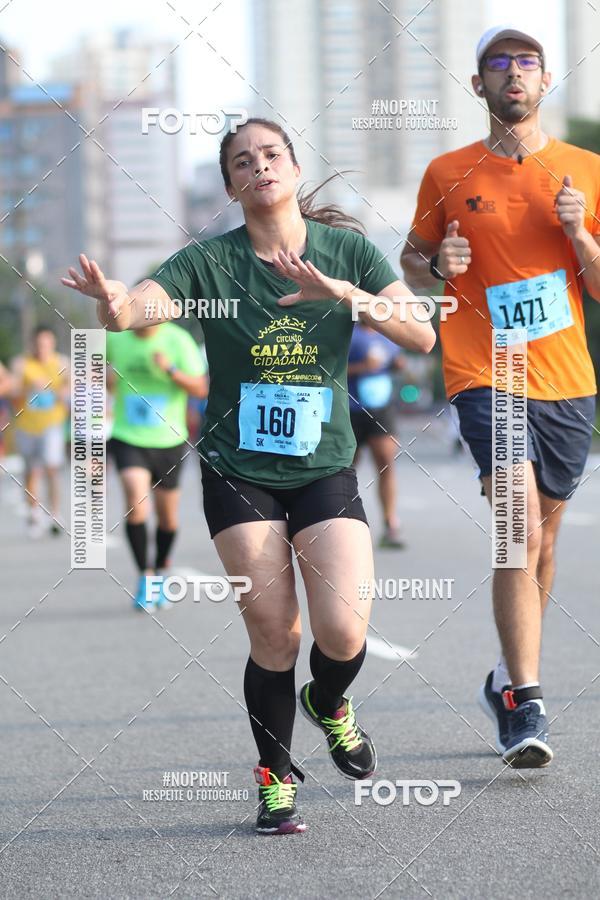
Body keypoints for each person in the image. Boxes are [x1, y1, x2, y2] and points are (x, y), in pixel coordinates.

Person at [62, 117, 435, 834]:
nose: (258, 166)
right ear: (232, 186)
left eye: (270, 154)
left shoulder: (346, 249)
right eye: (242, 161)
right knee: (273, 634)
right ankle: (274, 780)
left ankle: (329, 703)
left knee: (344, 630)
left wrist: (342, 294)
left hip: (324, 463)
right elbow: (145, 306)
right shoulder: (210, 263)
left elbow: (419, 330)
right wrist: (116, 306)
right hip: (239, 470)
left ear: (293, 168)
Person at [401, 25, 600, 768]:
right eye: (497, 63)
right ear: (478, 84)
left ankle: (504, 679)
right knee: (515, 522)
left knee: (544, 541)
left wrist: (580, 236)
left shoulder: (585, 170)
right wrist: (436, 262)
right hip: (486, 372)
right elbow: (413, 260)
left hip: (568, 381)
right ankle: (527, 699)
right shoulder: (449, 172)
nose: (512, 73)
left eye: (525, 63)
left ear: (545, 81)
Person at [106, 323, 208, 610]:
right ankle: (146, 578)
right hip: (128, 436)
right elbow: (94, 372)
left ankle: (160, 572)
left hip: (169, 441)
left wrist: (171, 370)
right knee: (136, 505)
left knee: (168, 520)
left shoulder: (179, 340)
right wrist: (104, 378)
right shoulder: (117, 339)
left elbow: (200, 388)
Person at [348, 322, 406, 548]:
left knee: (386, 464)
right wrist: (363, 367)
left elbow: (396, 361)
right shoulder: (349, 332)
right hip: (351, 408)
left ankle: (390, 524)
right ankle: (345, 525)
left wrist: (398, 365)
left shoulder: (389, 333)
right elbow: (329, 369)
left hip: (382, 409)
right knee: (346, 469)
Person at [10, 325, 70, 537]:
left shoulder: (62, 363)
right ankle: (34, 512)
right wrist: (29, 387)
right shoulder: (22, 363)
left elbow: (71, 389)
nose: (42, 348)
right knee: (32, 471)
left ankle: (54, 513)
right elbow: (12, 390)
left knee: (52, 468)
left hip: (52, 424)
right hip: (26, 425)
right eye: (39, 344)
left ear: (52, 344)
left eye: (46, 344)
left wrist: (58, 390)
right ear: (33, 344)